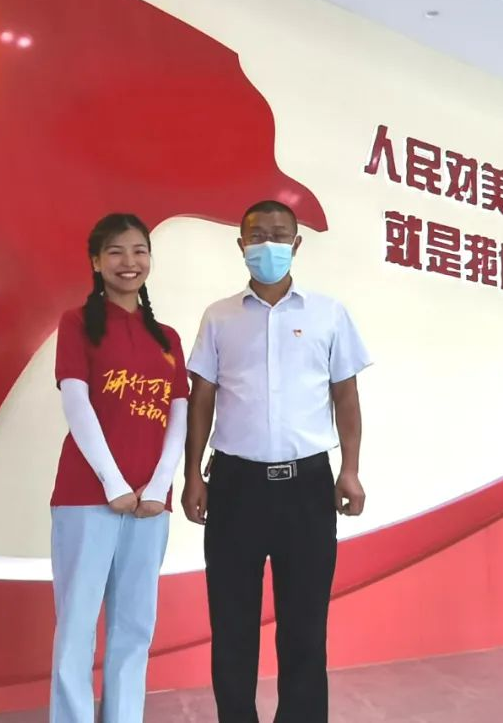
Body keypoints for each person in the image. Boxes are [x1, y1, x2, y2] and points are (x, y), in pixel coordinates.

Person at [181, 200, 371, 723]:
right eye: (257, 235)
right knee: (232, 623)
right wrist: (192, 474)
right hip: (234, 485)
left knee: (304, 625)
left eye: (279, 234)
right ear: (241, 245)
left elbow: (346, 397)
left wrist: (350, 469)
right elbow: (202, 398)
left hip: (307, 486)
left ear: (297, 244)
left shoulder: (328, 313)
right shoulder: (219, 317)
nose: (268, 244)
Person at [49, 213, 189, 723]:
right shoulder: (77, 324)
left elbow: (179, 414)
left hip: (150, 505)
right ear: (96, 262)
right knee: (77, 626)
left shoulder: (168, 338)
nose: (129, 262)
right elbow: (76, 403)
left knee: (134, 626)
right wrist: (113, 482)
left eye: (139, 250)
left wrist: (158, 486)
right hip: (86, 497)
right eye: (115, 251)